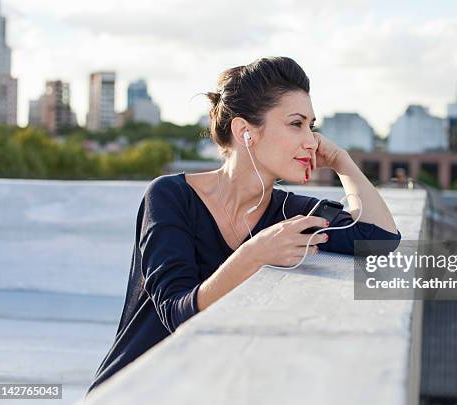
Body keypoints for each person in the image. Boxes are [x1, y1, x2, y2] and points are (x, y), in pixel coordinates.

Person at [85, 56, 401, 396]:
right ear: (244, 132)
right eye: (296, 124)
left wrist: (342, 161)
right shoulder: (170, 196)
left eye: (312, 126)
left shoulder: (286, 210)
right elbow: (178, 313)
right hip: (131, 390)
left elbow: (379, 238)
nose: (311, 140)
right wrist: (254, 254)